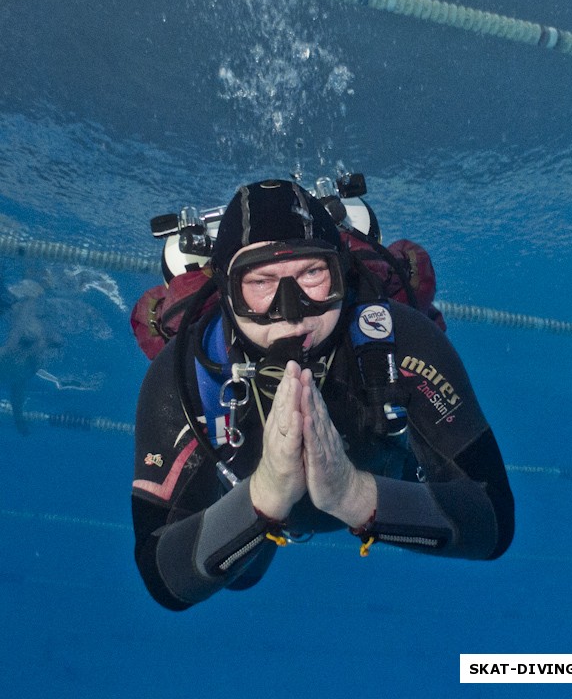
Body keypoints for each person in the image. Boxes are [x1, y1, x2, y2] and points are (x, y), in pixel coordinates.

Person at [133, 179, 514, 610]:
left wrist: (353, 495)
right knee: (242, 577)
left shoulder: (397, 339)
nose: (291, 311)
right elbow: (160, 572)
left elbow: (493, 518)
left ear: (343, 275)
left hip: (379, 475)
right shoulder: (187, 370)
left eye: (312, 274)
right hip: (254, 493)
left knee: (244, 566)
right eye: (260, 282)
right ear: (225, 293)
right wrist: (264, 496)